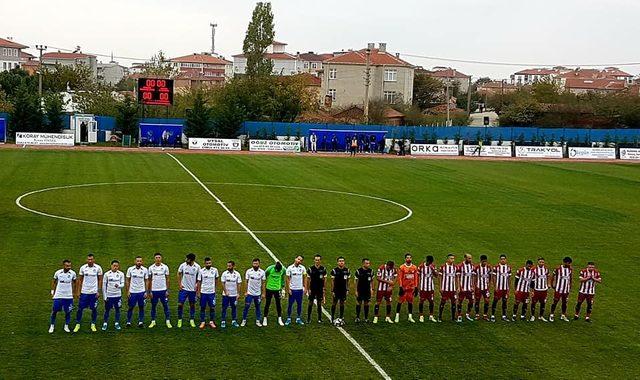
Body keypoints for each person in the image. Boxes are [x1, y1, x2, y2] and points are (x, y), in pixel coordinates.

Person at [74, 253, 102, 332]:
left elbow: (100, 280)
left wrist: (98, 291)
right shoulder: (83, 268)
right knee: (80, 308)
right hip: (84, 292)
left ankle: (93, 324)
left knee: (94, 309)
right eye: (89, 259)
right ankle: (78, 324)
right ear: (87, 260)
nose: (90, 261)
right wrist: (78, 291)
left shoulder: (98, 268)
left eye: (91, 259)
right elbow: (80, 280)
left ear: (94, 260)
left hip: (93, 292)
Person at [49, 259, 77, 333]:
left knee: (68, 312)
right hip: (58, 295)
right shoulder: (58, 273)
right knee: (54, 311)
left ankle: (66, 326)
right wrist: (52, 291)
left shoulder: (73, 273)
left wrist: (74, 292)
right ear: (63, 265)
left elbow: (75, 283)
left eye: (70, 266)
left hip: (68, 296)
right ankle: (52, 325)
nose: (69, 267)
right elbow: (54, 281)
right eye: (67, 266)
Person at [148, 253, 172, 328]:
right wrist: (150, 291)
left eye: (159, 257)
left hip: (163, 290)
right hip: (154, 291)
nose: (158, 259)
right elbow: (149, 280)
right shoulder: (151, 268)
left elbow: (168, 279)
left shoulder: (165, 267)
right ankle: (153, 321)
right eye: (156, 257)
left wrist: (167, 290)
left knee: (165, 306)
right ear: (154, 259)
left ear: (161, 258)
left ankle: (168, 321)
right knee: (153, 306)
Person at [177, 253, 201, 328]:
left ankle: (192, 319)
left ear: (192, 260)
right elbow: (178, 273)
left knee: (192, 305)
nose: (186, 260)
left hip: (192, 290)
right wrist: (180, 284)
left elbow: (199, 278)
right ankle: (180, 320)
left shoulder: (197, 267)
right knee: (180, 304)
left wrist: (197, 286)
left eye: (187, 259)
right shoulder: (183, 265)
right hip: (183, 289)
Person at [125, 256, 149, 328]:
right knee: (131, 307)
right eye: (137, 261)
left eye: (140, 261)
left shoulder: (145, 270)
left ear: (142, 262)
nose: (139, 262)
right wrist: (128, 291)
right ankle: (128, 322)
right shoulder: (130, 269)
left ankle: (140, 322)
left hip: (141, 291)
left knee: (141, 307)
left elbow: (147, 281)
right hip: (132, 291)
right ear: (135, 261)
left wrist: (146, 292)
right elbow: (127, 280)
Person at [242, 258, 265, 327]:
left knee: (258, 307)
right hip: (249, 293)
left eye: (256, 264)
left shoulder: (262, 272)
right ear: (252, 264)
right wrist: (246, 291)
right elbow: (246, 282)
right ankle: (244, 320)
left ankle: (258, 321)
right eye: (254, 264)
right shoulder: (249, 271)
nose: (255, 265)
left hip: (257, 294)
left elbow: (263, 283)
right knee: (246, 306)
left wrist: (263, 293)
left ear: (259, 264)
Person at [102, 260, 125, 331]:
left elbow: (123, 284)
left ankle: (117, 323)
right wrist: (105, 296)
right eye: (114, 266)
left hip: (118, 296)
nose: (115, 267)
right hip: (109, 295)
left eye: (117, 266)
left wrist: (119, 286)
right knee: (107, 310)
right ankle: (105, 323)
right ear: (111, 266)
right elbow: (104, 286)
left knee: (117, 309)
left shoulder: (121, 274)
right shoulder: (107, 274)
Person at [395, 253, 418, 323]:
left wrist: (416, 287)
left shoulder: (414, 267)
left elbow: (416, 278)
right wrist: (400, 287)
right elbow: (400, 278)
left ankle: (410, 317)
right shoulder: (402, 267)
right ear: (405, 259)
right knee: (400, 302)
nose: (409, 259)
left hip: (411, 289)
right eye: (408, 258)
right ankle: (397, 316)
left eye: (410, 258)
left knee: (410, 302)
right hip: (404, 288)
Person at [197, 256, 219, 329]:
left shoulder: (215, 270)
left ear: (211, 263)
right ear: (205, 264)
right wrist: (198, 292)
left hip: (211, 293)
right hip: (203, 292)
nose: (208, 264)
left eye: (210, 263)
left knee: (212, 307)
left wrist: (215, 289)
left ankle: (211, 322)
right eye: (207, 263)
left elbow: (216, 279)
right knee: (203, 307)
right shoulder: (201, 271)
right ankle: (202, 322)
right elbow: (199, 282)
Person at [549, 257, 573, 322]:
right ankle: (551, 315)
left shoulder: (570, 269)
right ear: (564, 262)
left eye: (569, 263)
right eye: (567, 263)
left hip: (566, 290)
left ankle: (563, 315)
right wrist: (552, 284)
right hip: (558, 289)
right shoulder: (558, 269)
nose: (568, 264)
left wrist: (570, 286)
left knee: (564, 302)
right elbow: (553, 276)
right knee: (555, 302)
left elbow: (570, 278)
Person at [263, 261, 286, 326]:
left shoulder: (283, 269)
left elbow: (283, 277)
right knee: (267, 303)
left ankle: (279, 318)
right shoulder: (270, 269)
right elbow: (265, 275)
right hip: (269, 288)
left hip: (277, 289)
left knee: (278, 304)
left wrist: (282, 287)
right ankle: (265, 318)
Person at [285, 255, 307, 325]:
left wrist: (305, 288)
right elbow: (287, 279)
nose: (299, 261)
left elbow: (305, 278)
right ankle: (288, 318)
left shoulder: (303, 268)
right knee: (290, 304)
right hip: (292, 289)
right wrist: (288, 289)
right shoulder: (290, 268)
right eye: (298, 259)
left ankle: (298, 318)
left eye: (300, 260)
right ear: (295, 259)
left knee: (299, 304)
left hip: (300, 289)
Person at [220, 260, 242, 328]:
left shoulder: (237, 274)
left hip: (234, 295)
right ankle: (223, 321)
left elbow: (239, 284)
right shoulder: (224, 273)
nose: (228, 267)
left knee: (234, 308)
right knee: (224, 308)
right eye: (227, 266)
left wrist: (238, 293)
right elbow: (223, 283)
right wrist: (225, 291)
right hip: (226, 295)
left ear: (233, 266)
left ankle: (234, 321)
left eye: (229, 266)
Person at [306, 254, 327, 324]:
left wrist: (324, 288)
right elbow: (308, 280)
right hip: (312, 289)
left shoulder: (323, 269)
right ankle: (308, 318)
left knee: (319, 304)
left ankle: (319, 318)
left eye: (318, 260)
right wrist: (308, 289)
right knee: (310, 303)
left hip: (320, 289)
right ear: (314, 260)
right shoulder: (310, 269)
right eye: (316, 260)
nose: (317, 261)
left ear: (320, 261)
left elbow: (324, 279)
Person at [491, 254, 512, 322]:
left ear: (506, 260)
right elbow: (493, 277)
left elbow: (509, 278)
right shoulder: (496, 267)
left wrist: (508, 288)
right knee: (495, 301)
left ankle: (504, 315)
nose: (503, 260)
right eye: (501, 259)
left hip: (505, 288)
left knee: (504, 301)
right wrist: (495, 286)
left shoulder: (508, 268)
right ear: (500, 260)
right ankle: (492, 315)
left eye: (504, 259)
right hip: (498, 288)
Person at [417, 255, 437, 323]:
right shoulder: (421, 266)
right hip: (423, 288)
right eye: (429, 262)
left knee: (431, 301)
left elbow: (436, 275)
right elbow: (418, 276)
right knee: (421, 301)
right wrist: (417, 286)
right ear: (426, 260)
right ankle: (421, 316)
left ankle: (431, 316)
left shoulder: (433, 266)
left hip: (430, 288)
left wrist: (432, 269)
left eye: (431, 262)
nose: (429, 263)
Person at [330, 256, 350, 322]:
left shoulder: (347, 270)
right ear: (337, 262)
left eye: (342, 261)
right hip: (336, 290)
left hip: (343, 290)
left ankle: (341, 317)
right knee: (334, 303)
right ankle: (332, 317)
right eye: (340, 261)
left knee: (342, 303)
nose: (341, 262)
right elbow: (332, 281)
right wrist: (332, 290)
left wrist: (347, 289)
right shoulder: (334, 271)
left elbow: (348, 281)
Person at [438, 254, 458, 322]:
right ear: (447, 259)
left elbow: (456, 277)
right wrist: (440, 287)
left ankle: (453, 318)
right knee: (443, 302)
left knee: (454, 302)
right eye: (451, 258)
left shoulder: (455, 267)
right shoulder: (443, 267)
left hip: (452, 289)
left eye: (453, 258)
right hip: (445, 288)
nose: (452, 260)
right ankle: (440, 317)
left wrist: (457, 287)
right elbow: (440, 277)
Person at [456, 254, 475, 322]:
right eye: (469, 258)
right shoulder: (460, 266)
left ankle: (467, 314)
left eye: (471, 258)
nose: (470, 260)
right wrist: (459, 287)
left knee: (471, 301)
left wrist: (473, 286)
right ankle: (459, 315)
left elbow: (472, 276)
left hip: (469, 288)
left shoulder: (472, 266)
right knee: (460, 301)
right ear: (465, 258)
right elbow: (457, 277)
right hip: (462, 287)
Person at [530, 257, 550, 322]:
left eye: (542, 262)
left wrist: (548, 284)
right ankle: (532, 316)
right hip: (536, 289)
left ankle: (541, 316)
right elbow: (532, 280)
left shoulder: (546, 269)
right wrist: (532, 290)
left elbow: (548, 276)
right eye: (540, 262)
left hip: (544, 289)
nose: (541, 263)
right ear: (538, 262)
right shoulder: (534, 269)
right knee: (533, 303)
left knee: (543, 303)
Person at [354, 258, 374, 323]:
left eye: (369, 263)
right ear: (363, 263)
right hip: (360, 290)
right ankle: (357, 317)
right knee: (358, 303)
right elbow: (356, 282)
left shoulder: (371, 271)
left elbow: (372, 281)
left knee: (366, 304)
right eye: (366, 263)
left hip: (367, 290)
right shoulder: (358, 271)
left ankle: (366, 318)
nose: (368, 264)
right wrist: (356, 290)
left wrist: (372, 289)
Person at [473, 255, 492, 320]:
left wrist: (488, 284)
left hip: (486, 288)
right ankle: (477, 314)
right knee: (477, 300)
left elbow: (490, 276)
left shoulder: (489, 267)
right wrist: (475, 286)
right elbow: (474, 277)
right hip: (478, 287)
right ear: (481, 261)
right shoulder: (477, 268)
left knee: (487, 301)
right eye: (483, 261)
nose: (485, 263)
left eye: (485, 261)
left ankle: (485, 315)